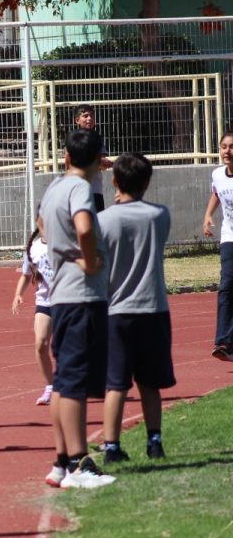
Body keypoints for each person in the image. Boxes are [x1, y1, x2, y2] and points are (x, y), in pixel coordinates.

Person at [39, 127, 116, 489]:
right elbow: (85, 227)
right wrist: (87, 261)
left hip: (60, 295)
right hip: (81, 295)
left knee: (62, 381)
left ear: (66, 156)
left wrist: (61, 249)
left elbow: (41, 225)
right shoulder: (81, 189)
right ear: (101, 161)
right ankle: (78, 464)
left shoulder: (54, 187)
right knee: (74, 383)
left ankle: (60, 462)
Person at [98, 153, 174, 463]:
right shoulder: (160, 215)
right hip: (154, 307)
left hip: (117, 310)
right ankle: (154, 441)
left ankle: (112, 446)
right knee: (150, 382)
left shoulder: (102, 220)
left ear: (114, 181)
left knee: (116, 383)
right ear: (147, 182)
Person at [11, 225, 55, 405]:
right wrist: (17, 294)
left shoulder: (67, 243)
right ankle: (50, 387)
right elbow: (26, 274)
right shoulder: (33, 248)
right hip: (44, 302)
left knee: (69, 347)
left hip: (67, 302)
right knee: (40, 345)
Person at [202, 128, 233, 361]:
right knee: (226, 286)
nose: (227, 151)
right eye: (224, 147)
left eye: (232, 147)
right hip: (229, 237)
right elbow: (216, 193)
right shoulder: (217, 174)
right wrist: (208, 215)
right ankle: (223, 341)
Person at [64, 104, 113, 212]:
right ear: (77, 120)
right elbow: (68, 162)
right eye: (85, 116)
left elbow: (102, 165)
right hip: (80, 189)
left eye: (91, 116)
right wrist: (101, 162)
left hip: (95, 189)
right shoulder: (74, 139)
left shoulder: (96, 139)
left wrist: (103, 163)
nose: (89, 118)